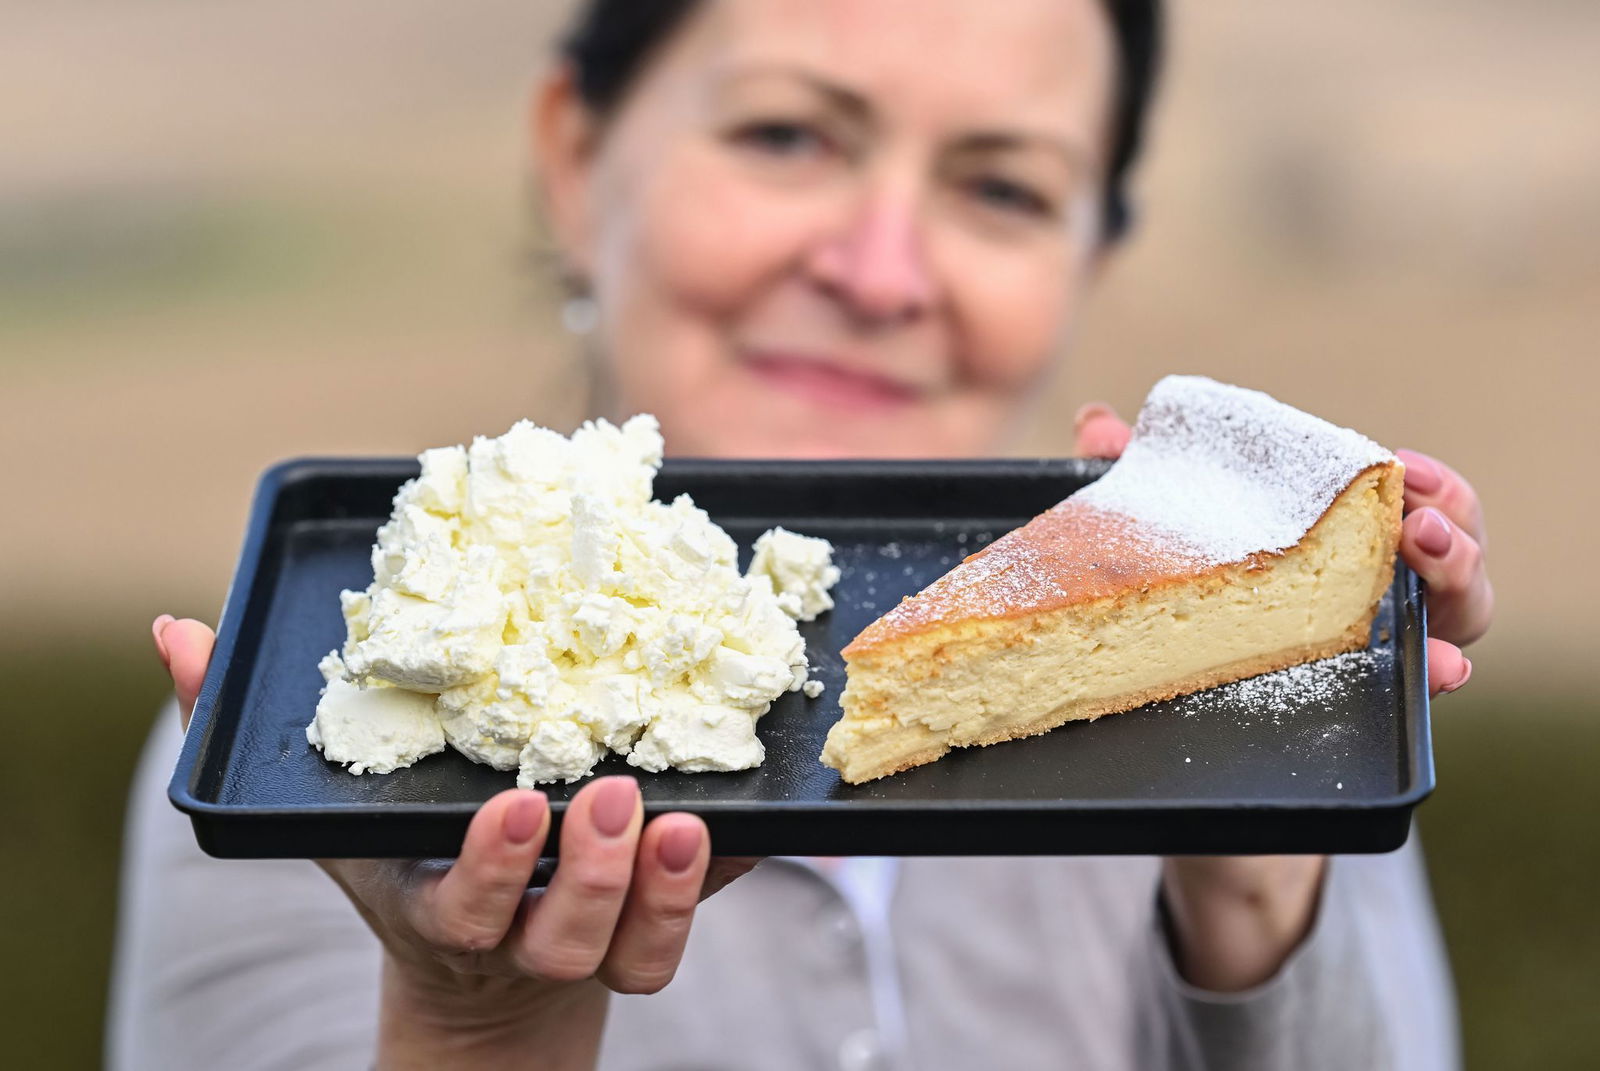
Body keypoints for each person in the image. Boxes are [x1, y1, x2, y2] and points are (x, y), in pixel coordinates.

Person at [110, 1, 1494, 1068]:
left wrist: (1254, 870)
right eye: (788, 135)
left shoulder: (1251, 688)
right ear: (577, 162)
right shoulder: (328, 749)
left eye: (1003, 188)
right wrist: (475, 1029)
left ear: (1090, 255)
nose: (882, 270)